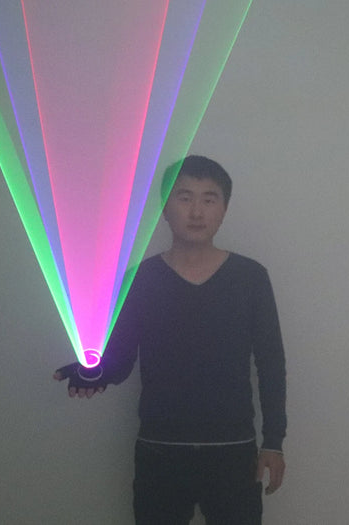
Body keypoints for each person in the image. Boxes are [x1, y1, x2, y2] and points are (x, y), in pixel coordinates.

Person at [54, 155, 287, 524]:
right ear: (165, 208)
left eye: (209, 199)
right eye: (184, 197)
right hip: (160, 452)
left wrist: (274, 441)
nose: (196, 211)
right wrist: (92, 373)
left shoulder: (250, 277)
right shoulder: (140, 279)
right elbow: (120, 361)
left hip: (233, 452)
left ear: (224, 209)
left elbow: (271, 362)